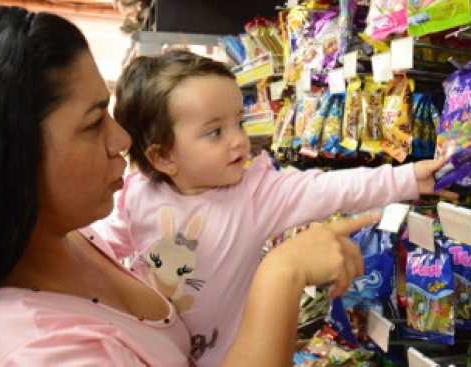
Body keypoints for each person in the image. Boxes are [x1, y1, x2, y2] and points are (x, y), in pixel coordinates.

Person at [0, 6, 374, 366]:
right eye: (92, 124)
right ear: (6, 153)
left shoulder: (85, 238)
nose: (122, 141)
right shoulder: (30, 351)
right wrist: (283, 273)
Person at [93, 49, 447, 366]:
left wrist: (411, 178)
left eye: (239, 123)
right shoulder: (136, 195)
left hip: (239, 355)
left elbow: (330, 189)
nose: (239, 139)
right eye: (215, 132)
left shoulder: (256, 193)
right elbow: (100, 255)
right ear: (164, 156)